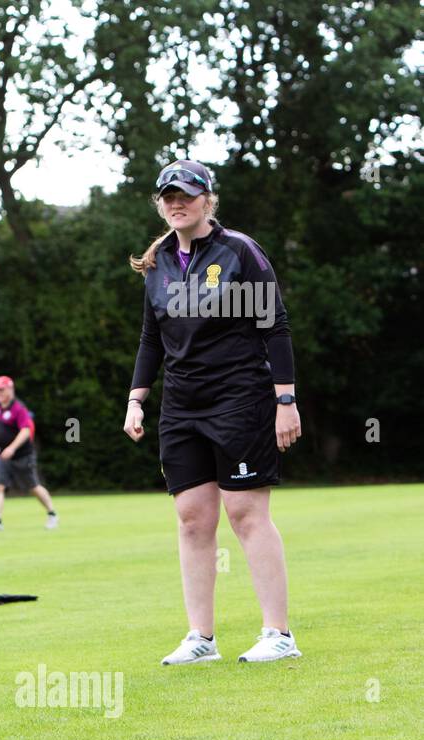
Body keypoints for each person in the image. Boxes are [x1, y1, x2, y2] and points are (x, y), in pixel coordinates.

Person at [124, 160, 302, 665]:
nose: (176, 203)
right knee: (191, 519)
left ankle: (279, 634)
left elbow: (276, 327)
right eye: (167, 196)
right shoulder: (157, 261)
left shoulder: (239, 251)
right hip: (181, 406)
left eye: (186, 194)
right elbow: (150, 338)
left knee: (245, 512)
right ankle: (201, 638)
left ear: (208, 199)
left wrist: (285, 400)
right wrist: (137, 398)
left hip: (240, 398)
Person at [0, 375, 58, 531]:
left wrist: (12, 448)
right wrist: (1, 449)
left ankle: (52, 513)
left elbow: (26, 430)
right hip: (3, 456)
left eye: (1, 390)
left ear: (10, 389)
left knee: (33, 487)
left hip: (23, 456)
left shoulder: (19, 408)